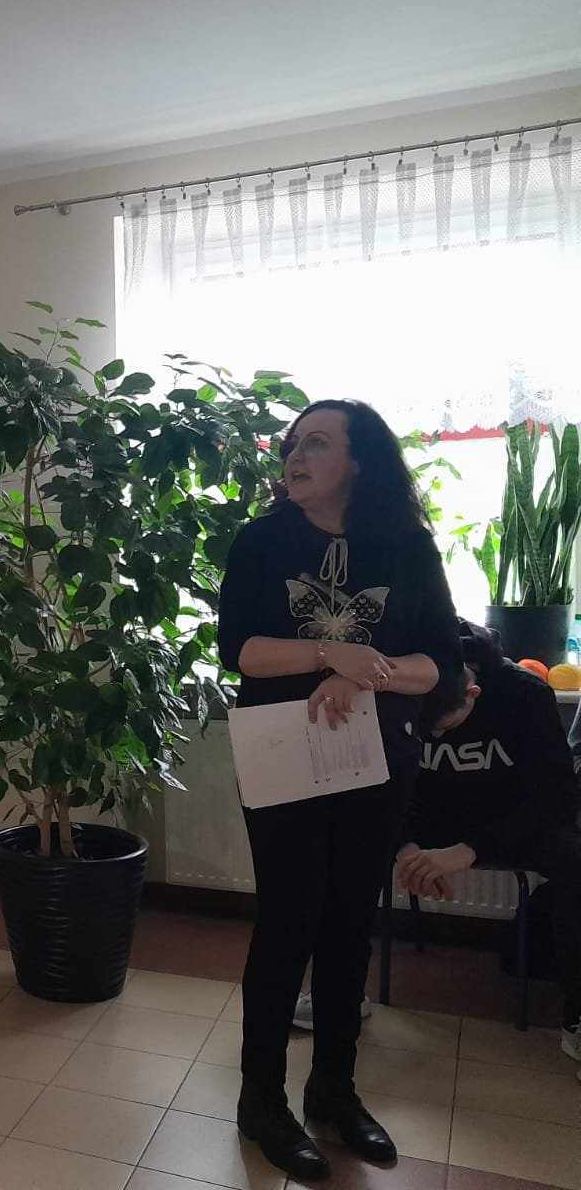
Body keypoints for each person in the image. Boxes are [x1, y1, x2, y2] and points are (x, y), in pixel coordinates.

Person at [218, 399, 461, 1180]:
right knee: (287, 922)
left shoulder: (407, 547)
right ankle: (262, 1100)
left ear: (359, 462)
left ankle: (333, 1091)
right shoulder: (262, 540)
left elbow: (441, 666)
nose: (296, 455)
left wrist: (366, 674)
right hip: (284, 758)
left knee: (351, 923)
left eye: (317, 443)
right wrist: (330, 653)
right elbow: (241, 651)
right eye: (293, 443)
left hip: (378, 759)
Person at [398, 620, 581, 1077]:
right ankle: (337, 992)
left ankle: (576, 1015)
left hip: (509, 823)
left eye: (445, 725)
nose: (436, 739)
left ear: (472, 694)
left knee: (574, 856)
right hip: (426, 821)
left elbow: (556, 799)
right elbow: (381, 785)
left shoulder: (526, 695)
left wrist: (468, 850)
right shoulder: (398, 683)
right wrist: (405, 848)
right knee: (339, 835)